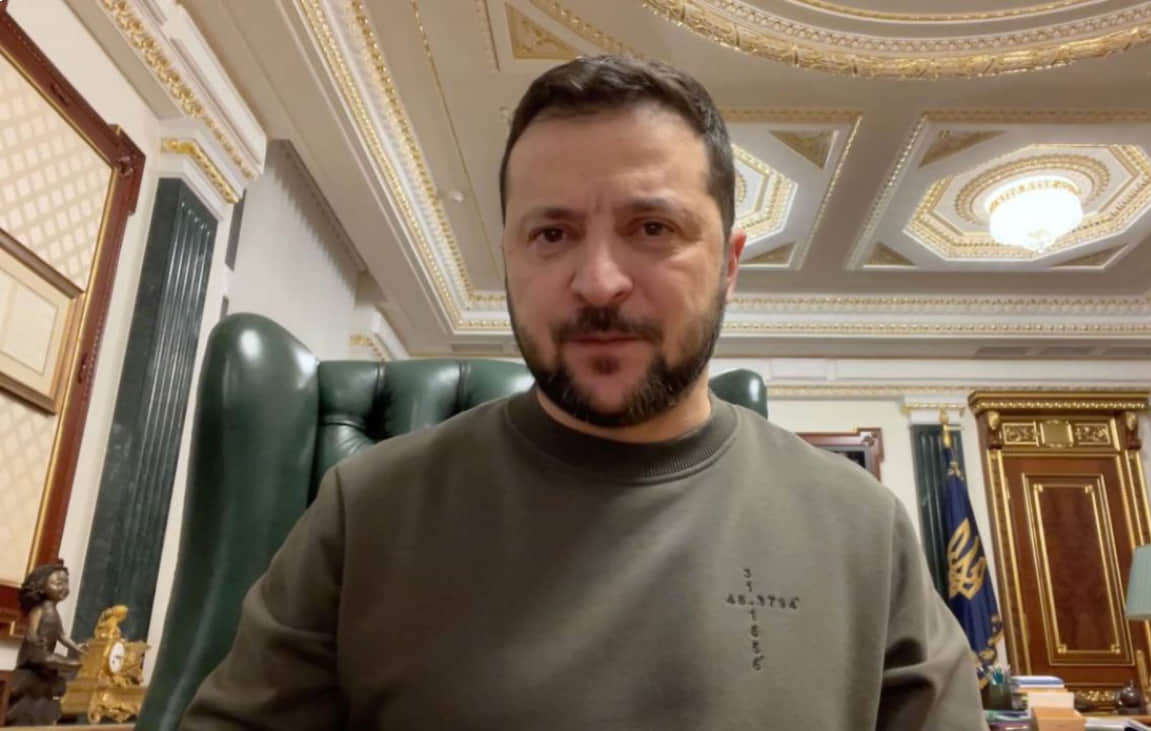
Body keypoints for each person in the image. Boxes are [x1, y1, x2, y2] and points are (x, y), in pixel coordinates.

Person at [183, 54, 983, 729]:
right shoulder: (363, 514)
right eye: (553, 233)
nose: (599, 282)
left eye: (652, 228)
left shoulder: (866, 531)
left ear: (730, 265)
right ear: (509, 259)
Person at [5, 560, 84, 726]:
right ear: (41, 587)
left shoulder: (54, 613)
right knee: (64, 663)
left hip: (46, 657)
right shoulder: (38, 610)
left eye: (65, 583)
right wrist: (34, 638)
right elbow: (32, 630)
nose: (63, 588)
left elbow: (62, 636)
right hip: (35, 653)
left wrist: (77, 649)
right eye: (57, 583)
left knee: (72, 666)